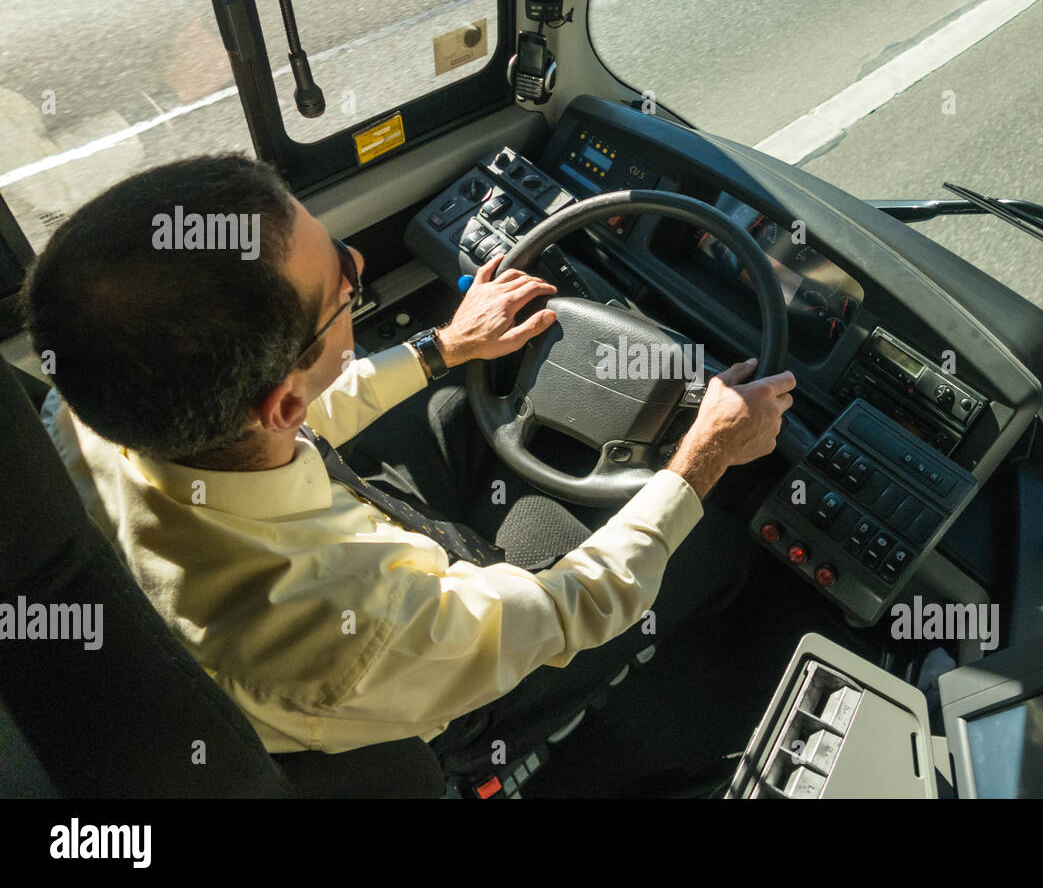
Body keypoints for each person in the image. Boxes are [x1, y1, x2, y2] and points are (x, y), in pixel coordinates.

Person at [23, 153, 796, 763]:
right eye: (345, 283)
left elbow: (276, 417)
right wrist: (699, 461)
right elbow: (576, 607)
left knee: (459, 405)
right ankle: (543, 745)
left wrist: (442, 348)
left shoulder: (79, 413)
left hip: (336, 556)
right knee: (714, 549)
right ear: (282, 405)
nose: (360, 261)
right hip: (416, 702)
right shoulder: (359, 640)